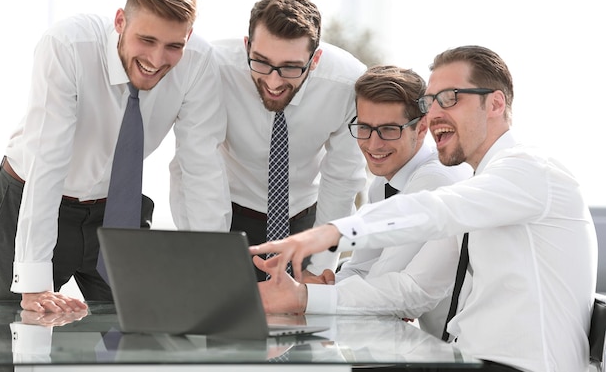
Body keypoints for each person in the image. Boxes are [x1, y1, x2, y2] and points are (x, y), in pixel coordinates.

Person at [250, 45, 597, 371]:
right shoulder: (482, 191)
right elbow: (418, 288)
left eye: (449, 99)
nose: (433, 114)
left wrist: (333, 233)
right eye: (431, 101)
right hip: (469, 359)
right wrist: (306, 296)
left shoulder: (529, 170)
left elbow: (435, 210)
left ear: (494, 104)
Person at [0, 0, 231, 313]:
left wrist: (215, 268)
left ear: (188, 37)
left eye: (174, 46)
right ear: (120, 21)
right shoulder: (68, 46)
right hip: (31, 199)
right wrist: (34, 282)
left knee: (135, 334)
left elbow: (201, 167)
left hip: (117, 212)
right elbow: (48, 161)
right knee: (17, 336)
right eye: (146, 40)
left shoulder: (200, 63)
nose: (156, 60)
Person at [253, 65, 471, 339]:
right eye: (364, 128)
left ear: (422, 126)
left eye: (389, 130)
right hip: (430, 345)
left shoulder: (436, 179)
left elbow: (389, 282)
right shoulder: (383, 182)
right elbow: (362, 267)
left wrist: (307, 295)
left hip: (466, 351)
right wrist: (318, 288)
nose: (373, 144)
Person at [192, 0, 367, 280]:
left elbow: (342, 178)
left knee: (303, 317)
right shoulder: (213, 68)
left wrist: (321, 268)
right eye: (260, 61)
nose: (273, 81)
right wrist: (211, 250)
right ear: (247, 45)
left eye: (290, 67)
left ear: (315, 59)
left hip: (308, 222)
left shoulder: (347, 84)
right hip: (228, 214)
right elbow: (197, 164)